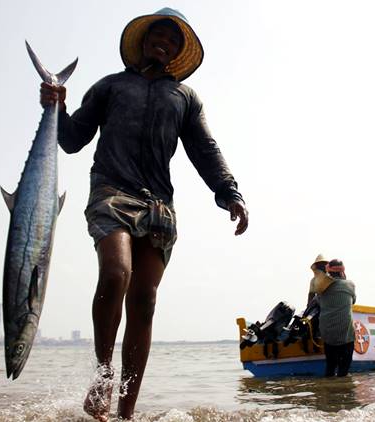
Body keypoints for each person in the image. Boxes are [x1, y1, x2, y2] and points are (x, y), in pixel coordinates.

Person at [40, 8, 249, 421]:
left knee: (145, 302)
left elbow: (205, 150)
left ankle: (126, 412)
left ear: (176, 52)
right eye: (158, 36)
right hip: (111, 192)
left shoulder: (185, 98)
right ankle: (103, 376)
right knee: (117, 274)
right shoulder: (110, 87)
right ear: (143, 41)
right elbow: (71, 140)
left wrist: (230, 193)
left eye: (172, 41)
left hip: (158, 205)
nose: (163, 43)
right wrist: (55, 107)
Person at [317, 259, 356, 377]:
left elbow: (319, 302)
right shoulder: (349, 285)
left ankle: (329, 392)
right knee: (343, 372)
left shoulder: (321, 287)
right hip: (345, 333)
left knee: (330, 368)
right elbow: (353, 301)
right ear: (342, 271)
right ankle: (342, 390)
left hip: (327, 333)